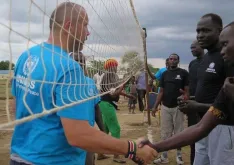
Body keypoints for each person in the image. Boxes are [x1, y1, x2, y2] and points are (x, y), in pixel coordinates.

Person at [10, 2, 157, 165]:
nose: (87, 33)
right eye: (85, 25)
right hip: (53, 160)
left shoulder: (27, 56)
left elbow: (17, 107)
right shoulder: (69, 67)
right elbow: (79, 136)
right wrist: (132, 148)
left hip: (19, 157)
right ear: (69, 26)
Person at [141, 21, 234, 164]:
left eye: (226, 44)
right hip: (208, 126)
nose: (221, 51)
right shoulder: (228, 86)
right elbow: (200, 127)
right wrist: (155, 146)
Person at [151, 53, 189, 164]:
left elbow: (187, 91)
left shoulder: (183, 73)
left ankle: (179, 156)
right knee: (165, 133)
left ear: (178, 61)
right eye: (170, 59)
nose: (172, 61)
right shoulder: (165, 74)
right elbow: (161, 92)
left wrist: (185, 98)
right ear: (168, 61)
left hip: (178, 108)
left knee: (179, 133)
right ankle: (164, 157)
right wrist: (155, 106)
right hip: (165, 107)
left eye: (174, 59)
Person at [98, 58, 137, 163]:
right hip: (106, 104)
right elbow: (113, 93)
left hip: (107, 104)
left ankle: (100, 153)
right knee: (116, 129)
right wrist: (124, 84)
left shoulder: (113, 76)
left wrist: (128, 95)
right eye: (113, 65)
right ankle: (116, 155)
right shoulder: (107, 76)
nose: (115, 67)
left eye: (115, 65)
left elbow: (116, 90)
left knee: (105, 130)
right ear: (109, 67)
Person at [71, 52, 106, 165]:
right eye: (75, 60)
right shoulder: (63, 83)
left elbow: (96, 109)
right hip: (69, 136)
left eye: (82, 61)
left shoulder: (90, 83)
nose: (79, 63)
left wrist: (103, 130)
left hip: (87, 135)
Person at [187, 40, 204, 164]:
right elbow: (191, 85)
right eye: (191, 47)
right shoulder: (192, 64)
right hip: (192, 106)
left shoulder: (209, 61)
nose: (192, 49)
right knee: (192, 136)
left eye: (194, 47)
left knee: (205, 136)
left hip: (205, 106)